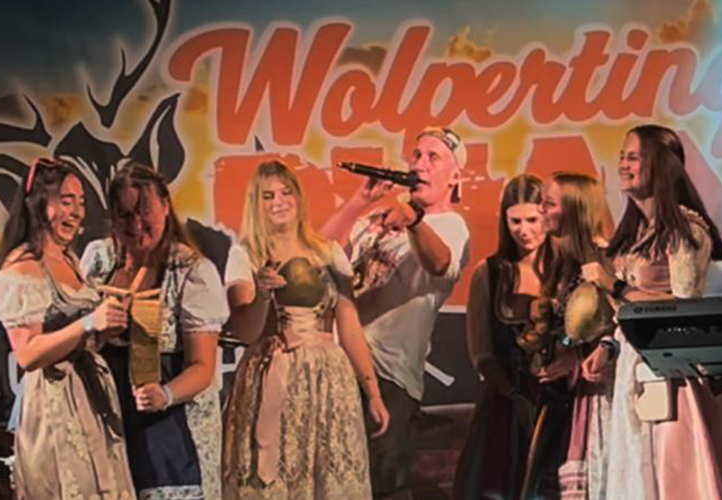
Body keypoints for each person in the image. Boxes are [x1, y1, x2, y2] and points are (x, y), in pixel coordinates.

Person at [582, 124, 722, 500]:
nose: (623, 165)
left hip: (669, 371)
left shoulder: (686, 231)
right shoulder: (636, 234)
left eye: (633, 157)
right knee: (633, 467)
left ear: (660, 165)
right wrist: (608, 345)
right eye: (622, 156)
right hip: (631, 363)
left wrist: (614, 286)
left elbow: (684, 307)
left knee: (667, 472)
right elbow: (626, 313)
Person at [222, 160, 389, 499]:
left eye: (286, 192)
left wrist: (372, 391)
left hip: (328, 381)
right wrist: (262, 295)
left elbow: (349, 325)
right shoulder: (245, 254)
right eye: (268, 196)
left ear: (299, 198)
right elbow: (246, 332)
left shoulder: (327, 252)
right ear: (256, 204)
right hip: (272, 379)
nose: (279, 202)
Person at [321, 127, 470, 499]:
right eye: (417, 155)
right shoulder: (377, 219)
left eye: (433, 157)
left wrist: (413, 221)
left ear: (455, 176)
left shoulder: (451, 226)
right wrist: (358, 202)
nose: (420, 164)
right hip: (342, 364)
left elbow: (440, 263)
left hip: (390, 376)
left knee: (384, 486)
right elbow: (318, 255)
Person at [81, 161, 228, 500]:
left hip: (171, 427)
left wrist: (165, 394)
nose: (135, 225)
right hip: (109, 421)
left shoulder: (191, 270)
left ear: (165, 204)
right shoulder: (99, 260)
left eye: (144, 211)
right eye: (124, 215)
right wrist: (98, 333)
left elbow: (202, 366)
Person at [0, 157, 136, 500]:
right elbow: (27, 354)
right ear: (39, 203)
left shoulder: (69, 259)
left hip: (90, 398)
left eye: (81, 202)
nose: (76, 212)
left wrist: (104, 329)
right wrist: (88, 323)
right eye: (66, 201)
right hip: (54, 405)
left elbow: (80, 336)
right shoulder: (23, 267)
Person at [454, 174, 567, 500]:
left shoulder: (567, 268)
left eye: (532, 219)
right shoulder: (489, 273)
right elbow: (482, 352)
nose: (524, 230)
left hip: (562, 404)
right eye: (515, 221)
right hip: (505, 404)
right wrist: (515, 396)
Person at [537, 172, 616, 500]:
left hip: (600, 395)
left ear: (575, 209)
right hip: (569, 396)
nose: (541, 210)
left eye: (549, 203)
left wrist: (576, 354)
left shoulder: (606, 259)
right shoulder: (562, 263)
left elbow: (617, 323)